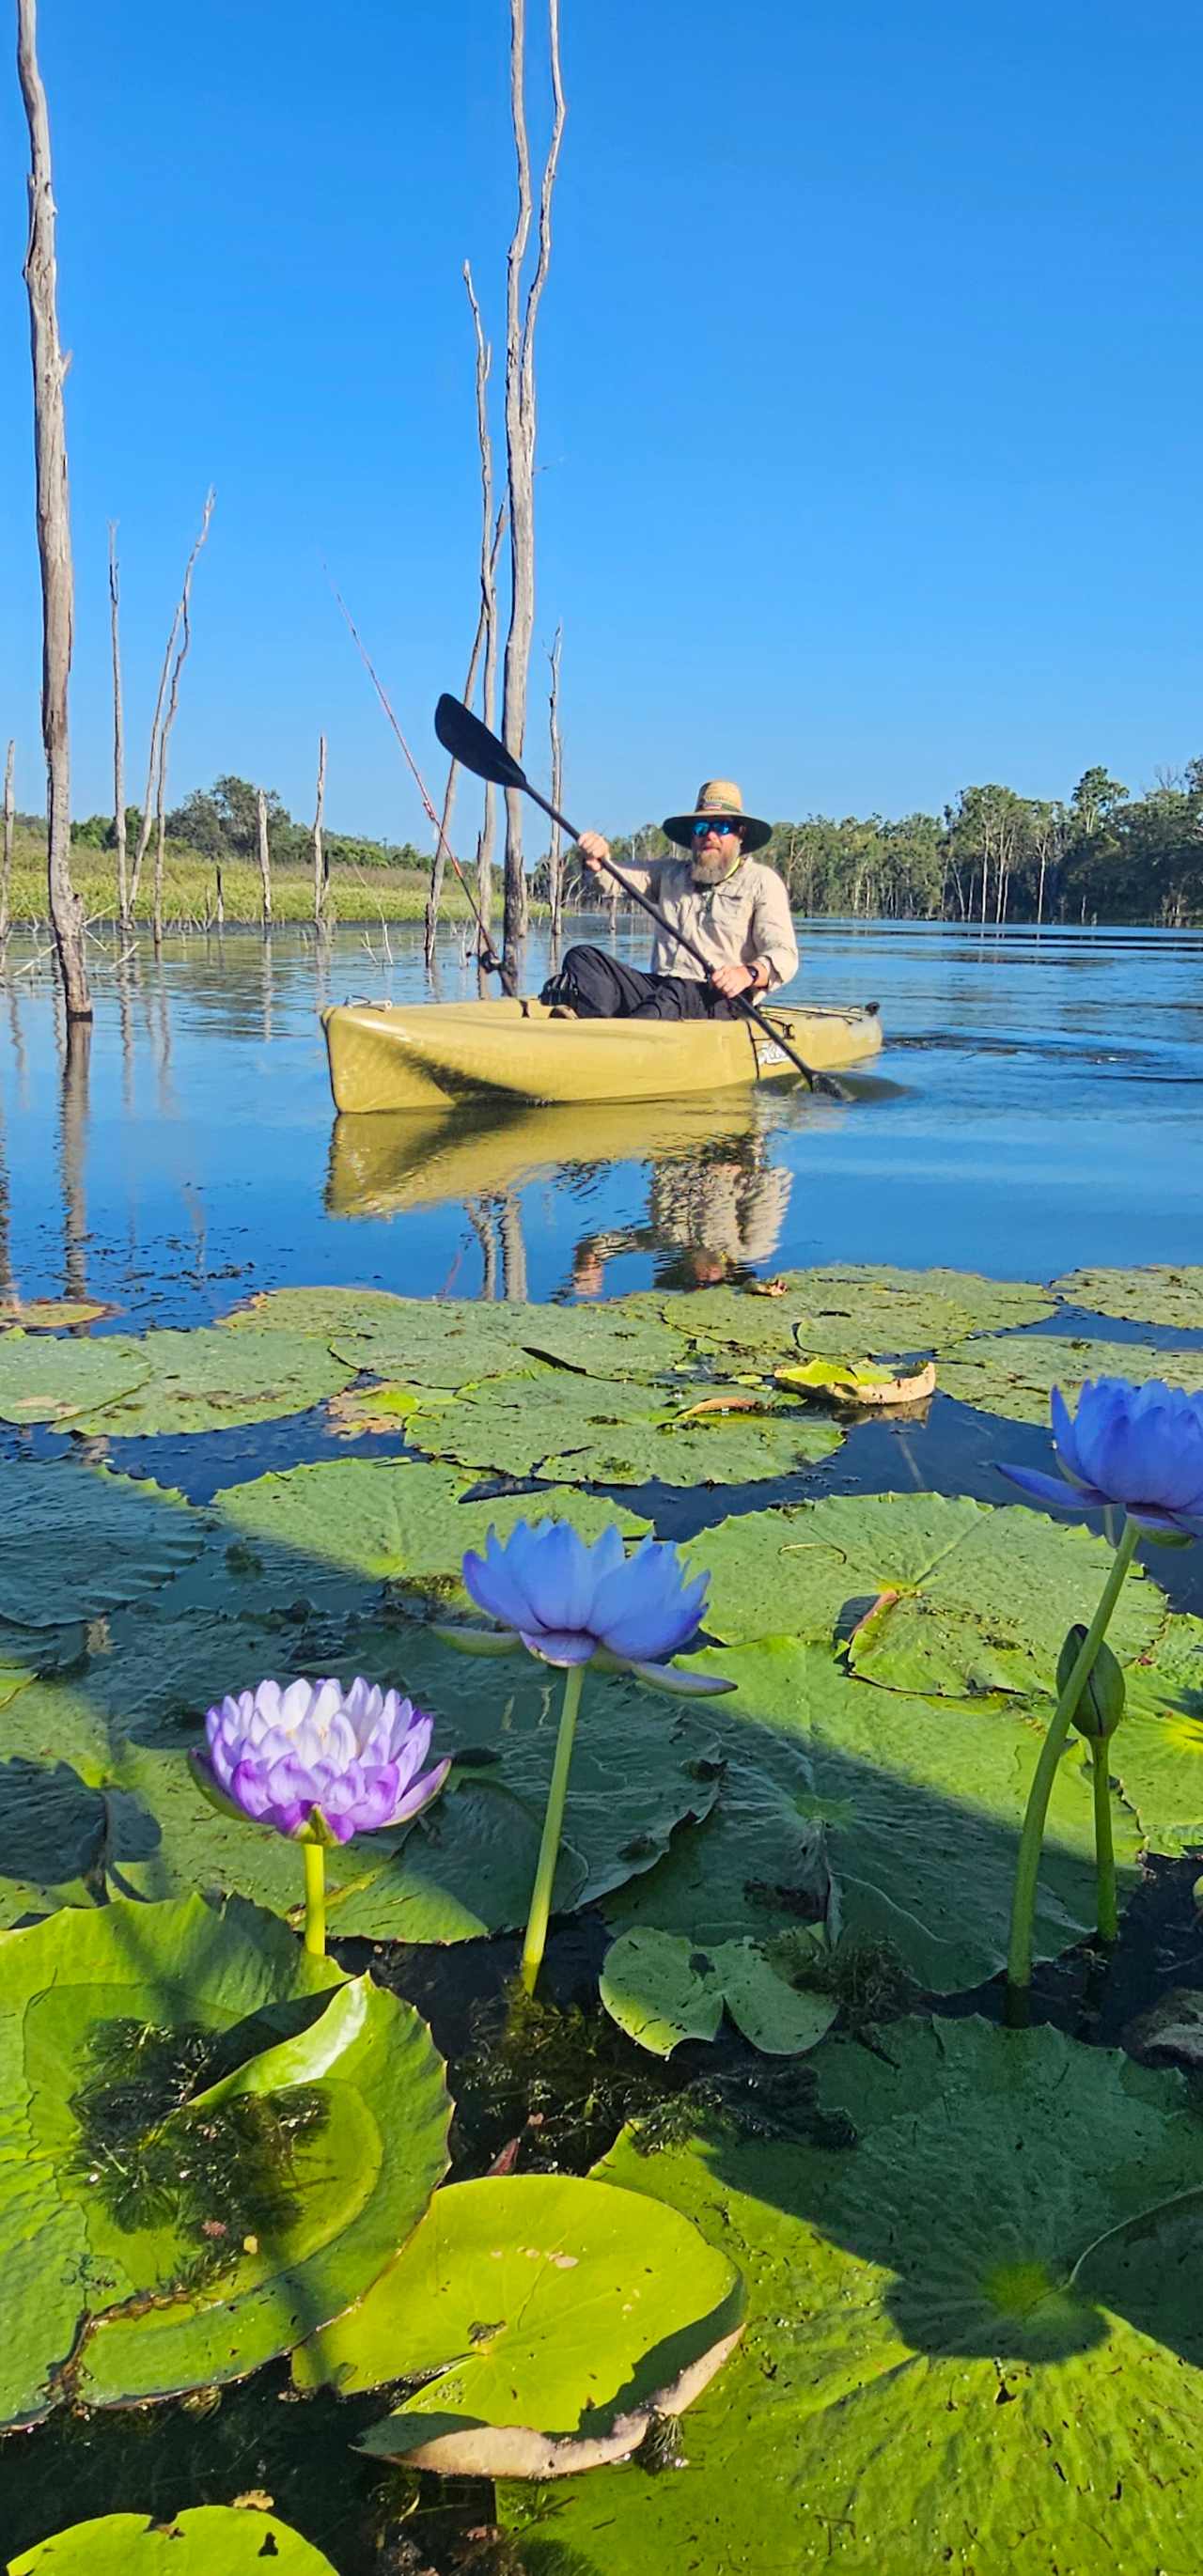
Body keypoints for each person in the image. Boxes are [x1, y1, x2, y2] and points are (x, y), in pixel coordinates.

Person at [539, 778, 799, 1021]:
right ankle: (599, 1025)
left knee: (676, 992)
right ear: (691, 837)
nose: (709, 835)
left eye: (721, 827)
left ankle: (628, 1037)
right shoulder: (670, 874)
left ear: (739, 833)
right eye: (701, 827)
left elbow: (784, 954)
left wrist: (747, 974)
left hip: (721, 1000)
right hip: (661, 987)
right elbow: (614, 879)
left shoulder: (761, 881)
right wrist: (597, 860)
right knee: (582, 957)